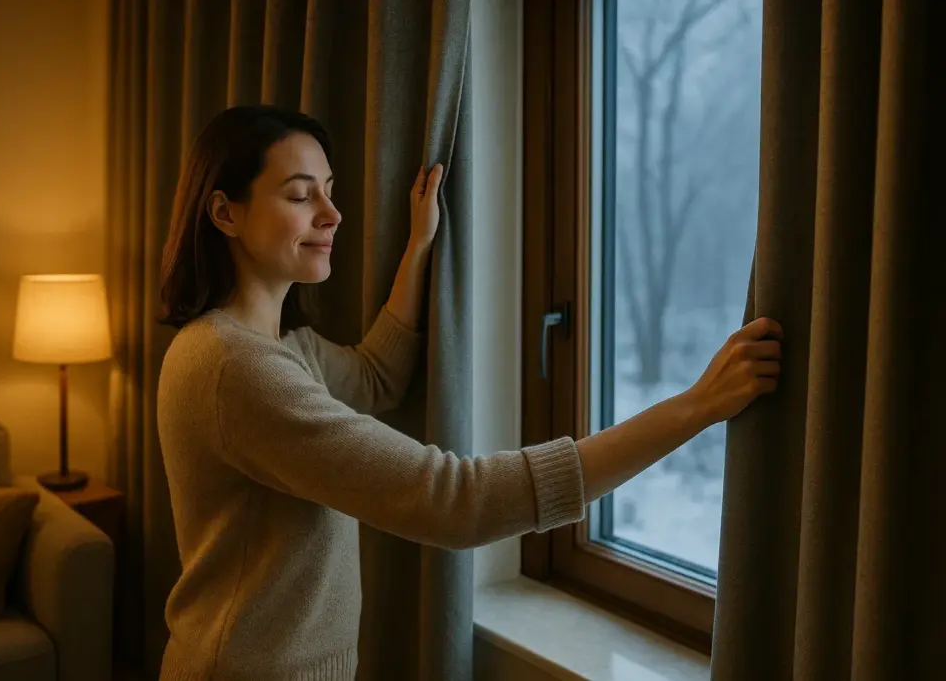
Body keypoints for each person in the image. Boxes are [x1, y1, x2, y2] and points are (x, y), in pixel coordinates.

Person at [155, 104, 783, 681]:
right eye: (300, 195)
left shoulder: (285, 351)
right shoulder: (236, 369)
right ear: (225, 213)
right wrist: (695, 407)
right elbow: (456, 502)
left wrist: (419, 246)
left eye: (330, 190)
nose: (332, 213)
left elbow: (376, 377)